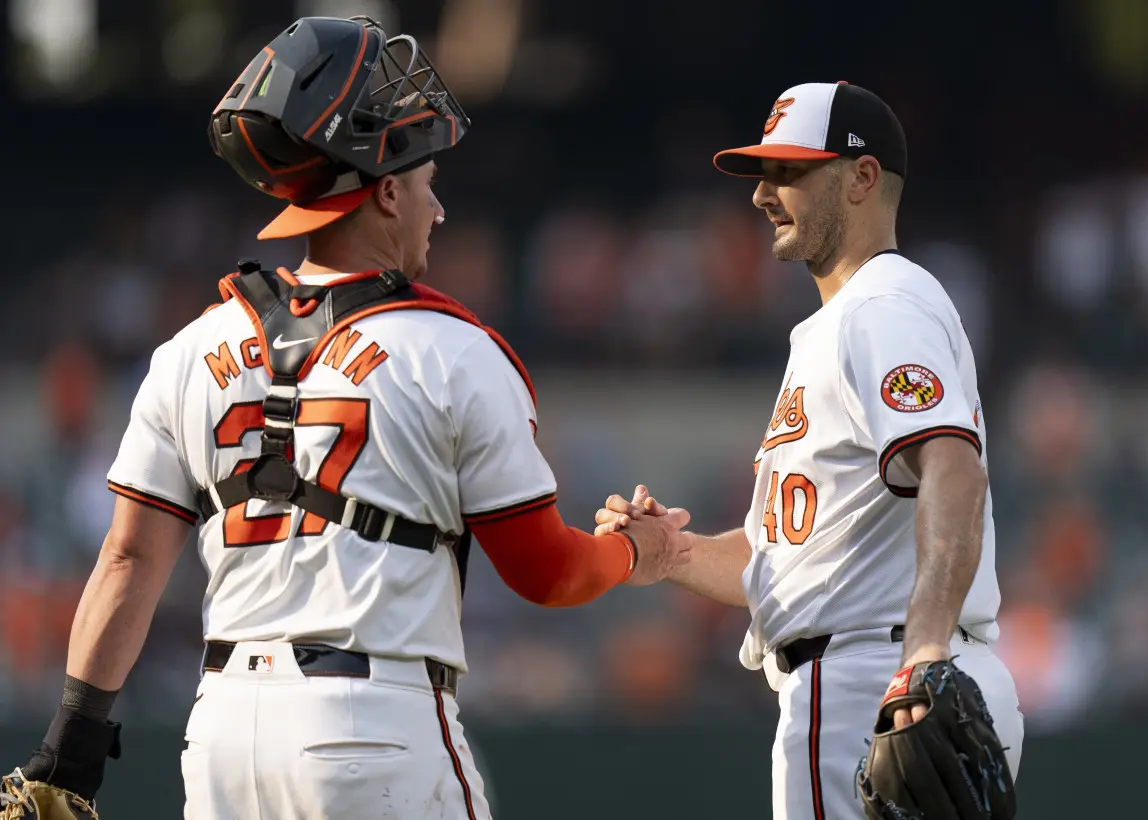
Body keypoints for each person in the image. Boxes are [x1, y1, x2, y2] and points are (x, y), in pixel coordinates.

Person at [0, 16, 688, 820]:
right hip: (374, 727)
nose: (437, 210)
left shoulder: (190, 348)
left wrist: (68, 757)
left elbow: (125, 565)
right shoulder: (454, 350)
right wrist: (637, 551)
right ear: (387, 189)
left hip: (222, 737)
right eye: (428, 184)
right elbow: (546, 573)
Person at [595, 81, 1024, 819]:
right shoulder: (840, 323)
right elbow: (794, 560)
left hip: (872, 676)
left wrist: (920, 657)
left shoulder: (882, 305)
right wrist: (674, 553)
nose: (763, 194)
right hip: (876, 669)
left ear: (862, 177)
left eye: (789, 172)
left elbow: (954, 469)